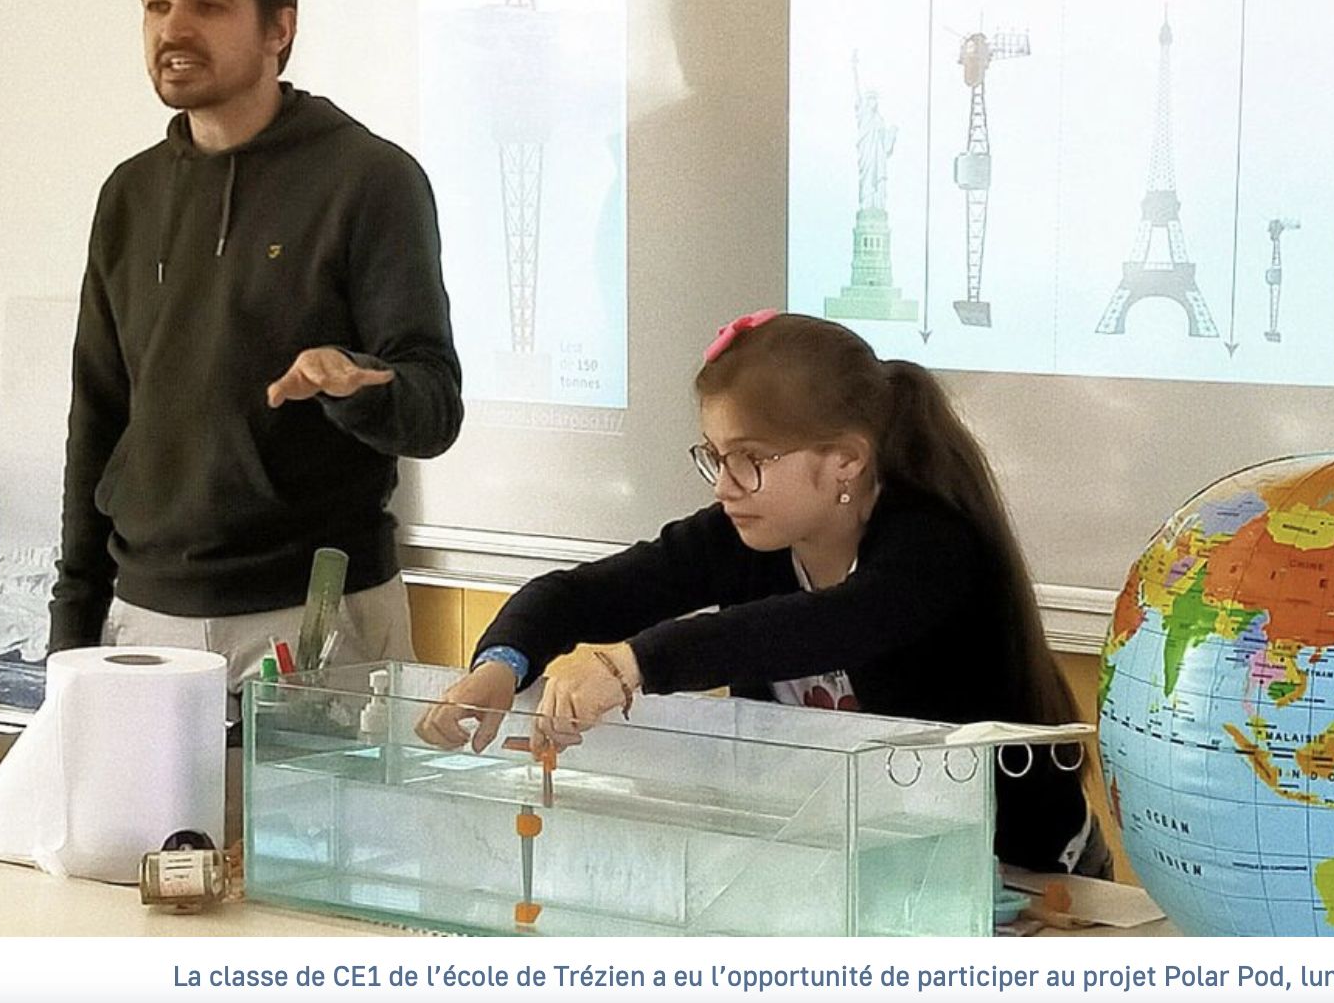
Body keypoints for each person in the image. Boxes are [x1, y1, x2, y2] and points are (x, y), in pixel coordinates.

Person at [417, 311, 1108, 875]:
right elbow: (575, 595)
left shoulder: (933, 546)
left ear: (845, 460)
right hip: (860, 864)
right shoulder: (738, 534)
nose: (725, 486)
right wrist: (501, 666)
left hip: (1022, 868)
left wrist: (631, 665)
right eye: (715, 457)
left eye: (750, 459)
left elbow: (829, 625)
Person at [48, 0, 464, 695]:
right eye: (157, 5)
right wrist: (72, 630)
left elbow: (434, 407)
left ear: (279, 29)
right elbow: (97, 417)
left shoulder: (369, 180)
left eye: (208, 6)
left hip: (316, 620)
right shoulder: (129, 194)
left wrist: (357, 384)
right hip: (144, 622)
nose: (174, 30)